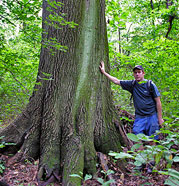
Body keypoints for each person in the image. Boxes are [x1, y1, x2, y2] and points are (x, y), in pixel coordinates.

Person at [99, 61, 164, 139]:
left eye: (139, 72)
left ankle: (151, 151)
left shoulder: (150, 85)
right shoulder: (132, 84)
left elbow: (158, 101)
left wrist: (160, 118)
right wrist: (104, 72)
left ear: (143, 73)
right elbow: (116, 81)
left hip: (152, 116)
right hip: (140, 116)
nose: (137, 74)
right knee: (136, 136)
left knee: (152, 139)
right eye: (135, 72)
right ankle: (141, 151)